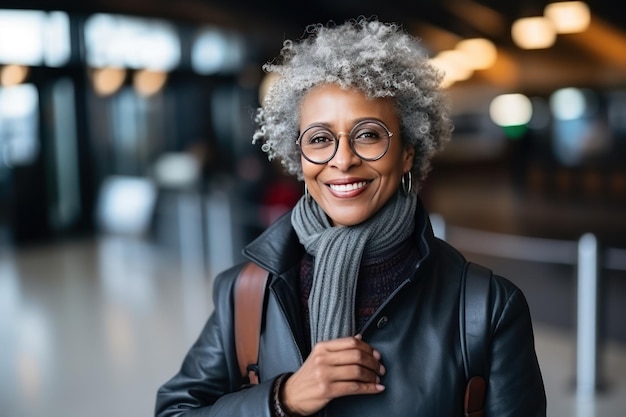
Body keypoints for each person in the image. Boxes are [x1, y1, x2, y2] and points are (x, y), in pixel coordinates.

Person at [155, 16, 547, 416]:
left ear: (407, 151)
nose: (342, 160)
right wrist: (282, 399)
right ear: (299, 157)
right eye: (321, 139)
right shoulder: (247, 294)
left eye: (368, 134)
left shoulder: (485, 307)